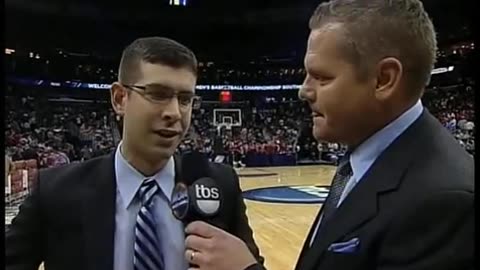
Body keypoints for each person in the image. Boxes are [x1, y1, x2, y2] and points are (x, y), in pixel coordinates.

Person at [181, 1, 474, 270]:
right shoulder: (366, 153)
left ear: (383, 79)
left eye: (322, 77)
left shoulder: (444, 202)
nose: (304, 90)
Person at [5, 37, 263, 270]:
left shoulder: (220, 186)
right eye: (158, 95)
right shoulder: (56, 191)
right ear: (119, 98)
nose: (174, 112)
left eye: (185, 99)